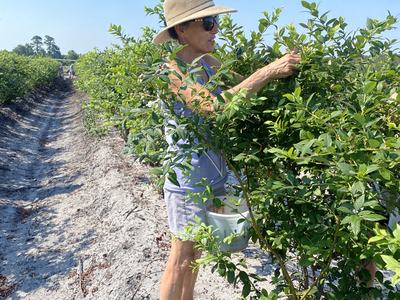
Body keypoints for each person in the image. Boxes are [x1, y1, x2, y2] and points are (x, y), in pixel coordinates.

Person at [153, 0, 301, 299]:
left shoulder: (211, 63)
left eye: (214, 22)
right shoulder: (170, 71)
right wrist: (267, 72)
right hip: (188, 181)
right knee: (181, 257)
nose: (216, 28)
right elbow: (211, 107)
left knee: (196, 254)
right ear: (182, 29)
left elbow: (242, 95)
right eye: (207, 23)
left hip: (215, 175)